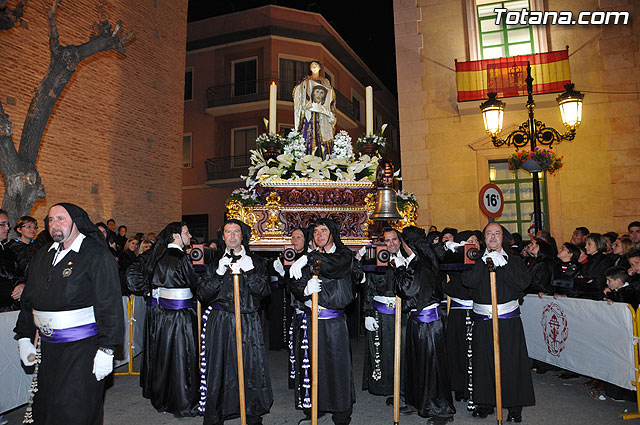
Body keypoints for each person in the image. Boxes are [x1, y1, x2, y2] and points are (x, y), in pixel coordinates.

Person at [14, 203, 123, 424]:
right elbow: (29, 299)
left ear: (76, 221)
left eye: (61, 219)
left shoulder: (95, 255)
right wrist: (24, 336)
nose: (54, 225)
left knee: (74, 410)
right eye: (51, 220)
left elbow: (109, 304)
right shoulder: (43, 255)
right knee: (46, 409)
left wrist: (107, 348)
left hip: (82, 349)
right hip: (48, 349)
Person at [198, 219, 273, 425]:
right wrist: (219, 273)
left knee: (251, 367)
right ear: (223, 237)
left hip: (248, 321)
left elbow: (264, 291)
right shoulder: (214, 263)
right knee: (219, 368)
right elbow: (203, 294)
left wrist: (249, 271)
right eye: (228, 232)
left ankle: (251, 414)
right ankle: (216, 414)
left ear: (242, 236)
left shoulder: (256, 262)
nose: (232, 236)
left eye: (236, 232)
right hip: (221, 321)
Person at [459, 222, 535, 422]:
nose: (493, 237)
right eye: (489, 233)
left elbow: (522, 283)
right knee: (483, 363)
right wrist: (483, 261)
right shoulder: (474, 259)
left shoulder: (515, 261)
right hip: (483, 320)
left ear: (504, 238)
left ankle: (514, 408)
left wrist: (504, 263)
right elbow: (468, 283)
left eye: (497, 233)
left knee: (511, 365)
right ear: (484, 238)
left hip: (507, 321)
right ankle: (485, 403)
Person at [289, 218, 359, 425]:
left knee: (337, 366)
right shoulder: (310, 257)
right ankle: (316, 406)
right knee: (312, 364)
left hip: (334, 322)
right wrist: (304, 290)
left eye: (323, 230)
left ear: (332, 233)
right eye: (316, 231)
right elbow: (294, 282)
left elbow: (334, 267)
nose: (319, 235)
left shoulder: (343, 255)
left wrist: (308, 259)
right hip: (311, 320)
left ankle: (341, 413)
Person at [393, 226, 454, 425]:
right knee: (417, 364)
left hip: (429, 323)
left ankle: (441, 410)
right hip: (417, 320)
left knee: (433, 366)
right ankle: (418, 401)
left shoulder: (421, 264)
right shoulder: (419, 261)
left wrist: (400, 269)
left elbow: (407, 289)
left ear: (408, 245)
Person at [138, 222, 200, 416]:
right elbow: (195, 285)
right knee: (183, 358)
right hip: (181, 317)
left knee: (164, 358)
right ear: (175, 235)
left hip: (163, 316)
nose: (190, 236)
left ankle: (163, 400)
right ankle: (183, 402)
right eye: (186, 232)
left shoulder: (158, 256)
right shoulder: (182, 258)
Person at [361, 228, 409, 407]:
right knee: (384, 352)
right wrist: (367, 313)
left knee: (403, 351)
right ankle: (387, 388)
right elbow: (369, 288)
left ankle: (404, 388)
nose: (392, 244)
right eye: (387, 241)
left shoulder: (409, 259)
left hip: (403, 314)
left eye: (394, 239)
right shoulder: (376, 262)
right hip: (381, 314)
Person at [293, 60, 336, 157]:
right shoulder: (306, 80)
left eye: (316, 65)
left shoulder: (325, 81)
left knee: (322, 131)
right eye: (312, 66)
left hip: (322, 112)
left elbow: (330, 95)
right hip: (310, 111)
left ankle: (324, 155)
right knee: (309, 129)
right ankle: (307, 154)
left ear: (320, 68)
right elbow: (300, 92)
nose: (314, 67)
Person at [0, 209, 20, 312]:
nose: (7, 228)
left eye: (7, 224)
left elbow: (18, 275)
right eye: (2, 224)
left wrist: (21, 285)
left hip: (11, 310)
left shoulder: (9, 252)